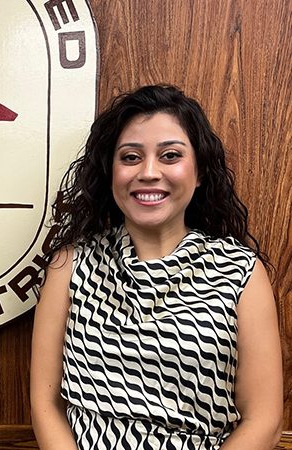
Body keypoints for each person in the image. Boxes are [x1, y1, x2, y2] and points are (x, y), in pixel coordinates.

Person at [30, 85, 283, 449]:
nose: (149, 172)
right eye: (131, 157)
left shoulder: (241, 272)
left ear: (199, 171)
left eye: (170, 156)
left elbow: (264, 421)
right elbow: (46, 404)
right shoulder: (69, 267)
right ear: (110, 171)